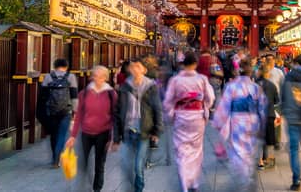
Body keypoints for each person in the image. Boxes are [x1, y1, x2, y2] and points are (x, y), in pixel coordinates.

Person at [163, 52, 215, 192]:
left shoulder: (175, 80)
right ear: (195, 64)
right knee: (196, 149)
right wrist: (205, 107)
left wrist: (170, 114)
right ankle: (194, 182)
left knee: (181, 149)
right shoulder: (202, 79)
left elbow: (168, 101)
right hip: (197, 116)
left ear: (183, 64)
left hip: (181, 116)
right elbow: (210, 98)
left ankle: (184, 182)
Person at [213, 57, 267, 191]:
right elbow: (262, 108)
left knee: (238, 152)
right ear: (250, 72)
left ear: (237, 71)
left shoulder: (231, 87)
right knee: (250, 151)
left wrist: (219, 122)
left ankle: (244, 179)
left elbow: (224, 107)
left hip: (237, 122)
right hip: (253, 122)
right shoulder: (256, 88)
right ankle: (248, 178)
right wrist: (262, 125)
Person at [113, 56, 163, 192]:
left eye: (138, 67)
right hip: (128, 130)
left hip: (144, 131)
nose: (135, 69)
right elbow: (117, 112)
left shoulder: (150, 87)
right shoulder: (124, 87)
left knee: (138, 165)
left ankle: (139, 188)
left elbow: (157, 109)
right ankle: (132, 186)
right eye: (132, 66)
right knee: (126, 165)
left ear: (144, 70)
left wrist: (157, 131)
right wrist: (116, 138)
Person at [66, 65, 117, 192]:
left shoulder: (111, 94)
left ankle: (97, 188)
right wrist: (73, 136)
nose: (97, 79)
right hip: (86, 133)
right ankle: (84, 185)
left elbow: (115, 117)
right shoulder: (84, 93)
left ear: (105, 78)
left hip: (103, 133)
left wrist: (113, 137)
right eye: (95, 76)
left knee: (99, 164)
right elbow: (79, 115)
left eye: (101, 76)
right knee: (83, 163)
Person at [281, 53, 301, 190]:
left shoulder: (288, 77)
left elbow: (282, 97)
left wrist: (285, 112)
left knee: (294, 149)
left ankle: (296, 180)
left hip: (292, 118)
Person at [39, 58, 78, 167]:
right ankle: (57, 158)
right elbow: (74, 96)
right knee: (62, 135)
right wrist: (75, 111)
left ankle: (54, 157)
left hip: (51, 110)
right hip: (66, 110)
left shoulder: (48, 77)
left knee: (53, 134)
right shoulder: (71, 77)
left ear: (55, 66)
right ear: (66, 66)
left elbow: (43, 96)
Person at [257, 61, 280, 170]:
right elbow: (276, 101)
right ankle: (266, 158)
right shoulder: (272, 85)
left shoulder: (255, 84)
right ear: (268, 73)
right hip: (269, 114)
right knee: (268, 138)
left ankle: (260, 161)